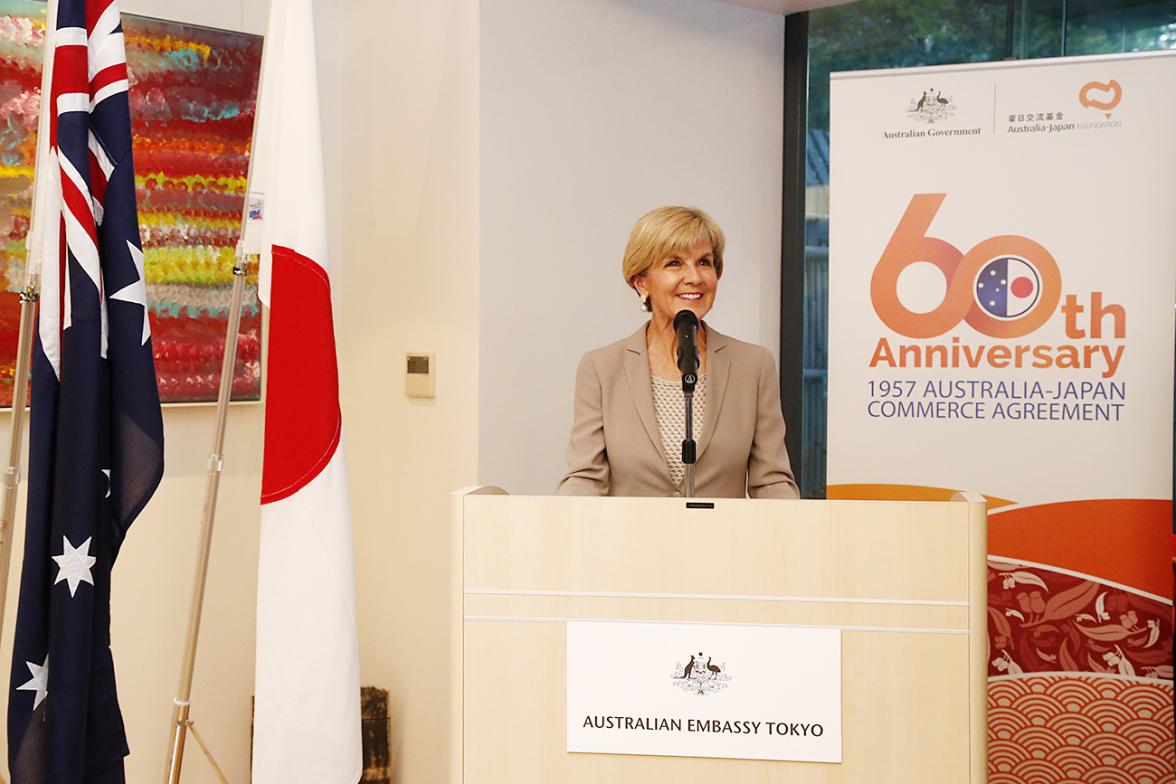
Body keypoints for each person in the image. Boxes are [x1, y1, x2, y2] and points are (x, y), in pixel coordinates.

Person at [557, 206, 799, 498]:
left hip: (724, 542)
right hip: (629, 542)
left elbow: (771, 482)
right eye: (674, 263)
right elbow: (585, 478)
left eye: (704, 262)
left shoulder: (753, 366)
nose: (694, 277)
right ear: (641, 282)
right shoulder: (601, 368)